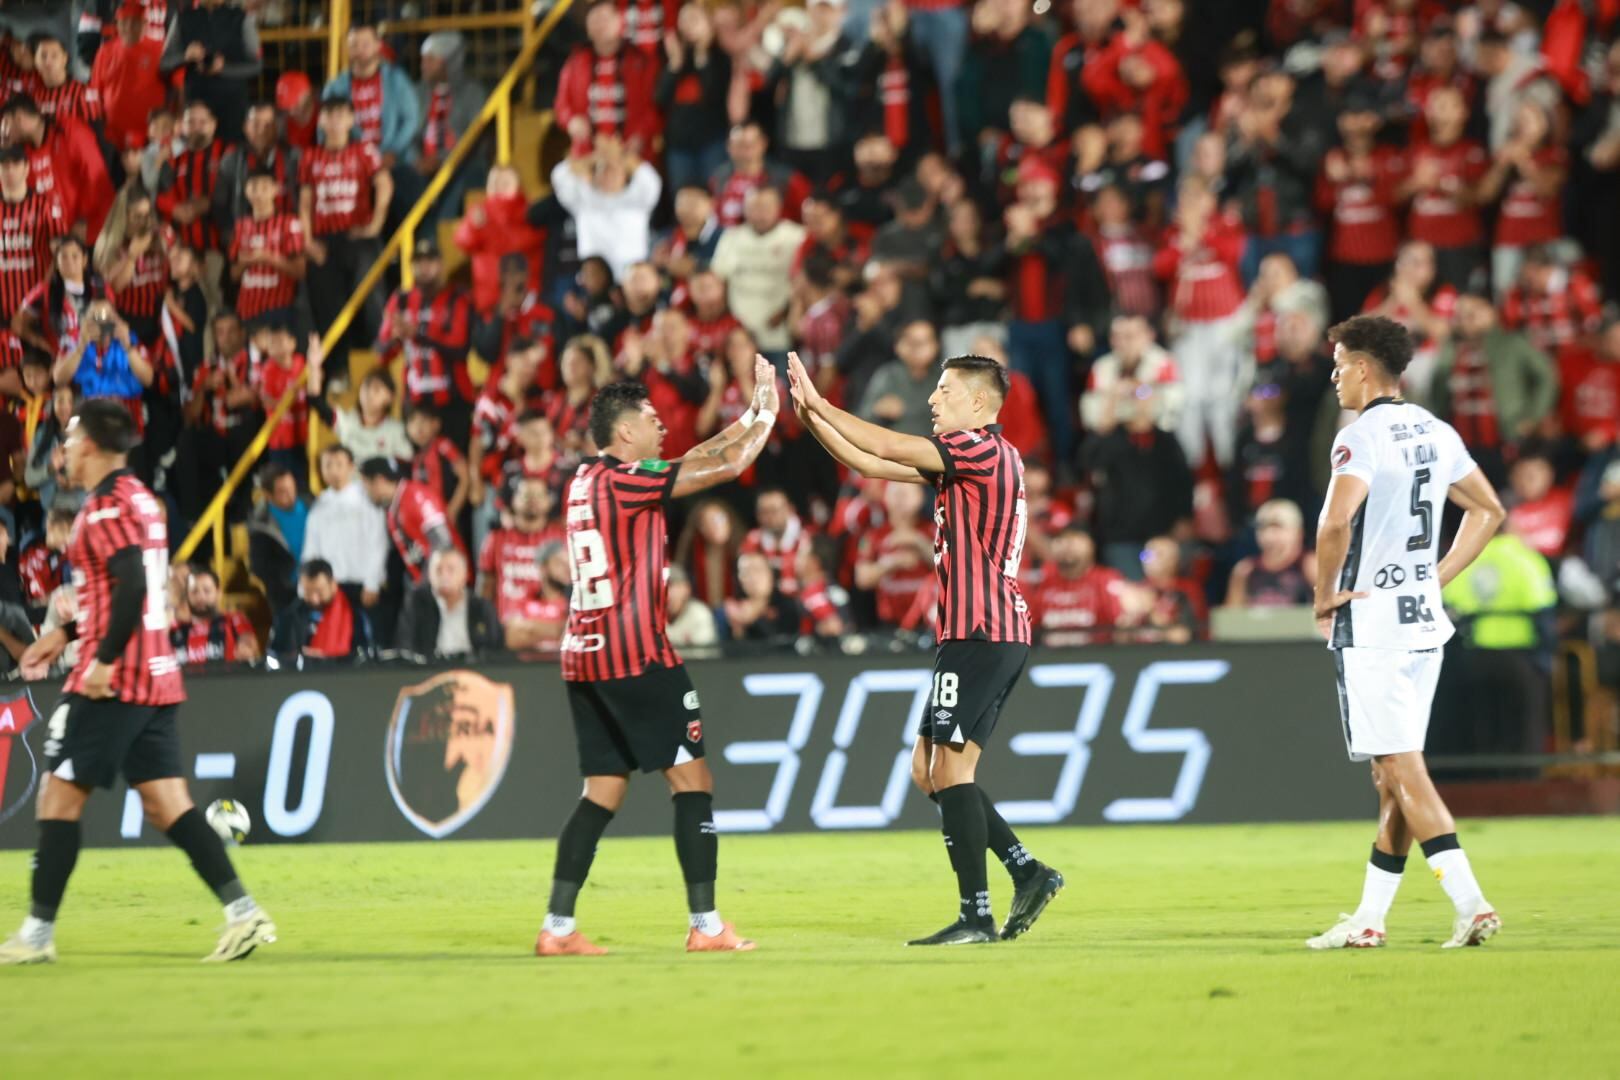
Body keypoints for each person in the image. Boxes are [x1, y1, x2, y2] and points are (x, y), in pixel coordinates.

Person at [788, 350, 1063, 945]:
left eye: (944, 390)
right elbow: (866, 460)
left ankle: (976, 914)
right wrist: (812, 417)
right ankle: (1027, 872)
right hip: (983, 633)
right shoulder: (981, 458)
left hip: (980, 631)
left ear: (980, 403)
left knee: (947, 770)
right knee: (930, 771)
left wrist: (826, 403)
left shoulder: (979, 449)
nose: (933, 400)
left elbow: (887, 447)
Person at [1, 399, 275, 965]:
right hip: (155, 675)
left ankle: (36, 934)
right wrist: (68, 631)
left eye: (71, 438)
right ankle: (243, 912)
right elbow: (125, 587)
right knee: (167, 804)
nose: (65, 449)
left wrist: (98, 658)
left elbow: (130, 585)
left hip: (115, 681)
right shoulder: (141, 500)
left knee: (57, 799)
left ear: (95, 446)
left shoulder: (102, 510)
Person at [536, 361, 782, 957]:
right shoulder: (626, 480)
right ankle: (705, 924)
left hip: (583, 657)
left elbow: (697, 455)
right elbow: (724, 466)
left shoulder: (584, 481)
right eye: (649, 419)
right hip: (636, 656)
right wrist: (772, 411)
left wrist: (745, 415)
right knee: (692, 781)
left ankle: (558, 929)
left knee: (601, 792)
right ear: (624, 434)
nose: (661, 425)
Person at [1306, 314, 1506, 951]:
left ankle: (1471, 903)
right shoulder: (1435, 429)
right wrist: (1433, 577)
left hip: (1372, 624)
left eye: (1339, 364)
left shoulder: (1359, 436)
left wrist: (1322, 594)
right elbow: (1488, 510)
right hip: (1424, 627)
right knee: (1391, 775)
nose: (1335, 376)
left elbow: (1336, 524)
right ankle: (1368, 918)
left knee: (1401, 768)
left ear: (1365, 368)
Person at [298, 95, 391, 385]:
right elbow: (304, 202)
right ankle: (338, 371)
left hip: (358, 235)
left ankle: (383, 358)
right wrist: (308, 241)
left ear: (352, 120)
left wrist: (375, 224)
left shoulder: (364, 151)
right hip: (324, 240)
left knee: (371, 295)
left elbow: (384, 183)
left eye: (341, 114)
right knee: (328, 306)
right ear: (321, 121)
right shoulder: (310, 156)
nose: (335, 121)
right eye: (329, 115)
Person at [322, 22, 421, 228]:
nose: (360, 50)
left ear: (378, 45)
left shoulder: (396, 80)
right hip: (350, 167)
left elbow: (412, 119)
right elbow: (324, 132)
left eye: (366, 44)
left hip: (394, 161)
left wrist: (392, 152)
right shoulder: (335, 87)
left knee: (414, 195)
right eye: (354, 45)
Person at [302, 444, 387, 613]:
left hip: (365, 584)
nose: (333, 470)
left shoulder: (367, 498)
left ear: (351, 467)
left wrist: (372, 582)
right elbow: (311, 548)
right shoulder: (319, 505)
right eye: (327, 465)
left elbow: (378, 542)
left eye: (339, 464)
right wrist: (306, 585)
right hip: (333, 587)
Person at [159, 0, 260, 137]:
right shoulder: (183, 17)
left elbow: (256, 66)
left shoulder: (242, 17)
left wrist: (224, 68)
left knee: (230, 152)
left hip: (232, 107)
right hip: (196, 108)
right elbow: (164, 64)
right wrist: (185, 56)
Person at [396, 547, 501, 662]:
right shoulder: (416, 603)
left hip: (472, 672)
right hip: (430, 671)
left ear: (465, 575)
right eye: (438, 570)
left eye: (451, 570)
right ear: (429, 575)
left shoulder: (482, 607)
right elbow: (404, 647)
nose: (444, 576)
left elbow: (494, 649)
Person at [89, 3, 166, 154]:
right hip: (112, 135)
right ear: (117, 24)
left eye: (136, 22)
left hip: (151, 134)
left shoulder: (161, 49)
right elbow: (95, 92)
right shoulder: (104, 52)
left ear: (145, 24)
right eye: (124, 22)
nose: (129, 28)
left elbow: (176, 88)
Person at [269, 558, 373, 664]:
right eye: (308, 592)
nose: (315, 599)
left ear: (333, 585)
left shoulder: (355, 617)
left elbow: (363, 656)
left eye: (320, 591)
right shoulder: (288, 618)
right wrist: (299, 657)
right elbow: (275, 656)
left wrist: (327, 658)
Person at [1225, 498, 1315, 609]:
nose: (1269, 536)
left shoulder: (1309, 566)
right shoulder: (1245, 571)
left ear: (1298, 532)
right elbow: (1232, 619)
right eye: (1263, 528)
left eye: (1277, 527)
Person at [247, 460, 306, 616]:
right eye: (283, 491)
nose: (291, 494)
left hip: (319, 587)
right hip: (286, 595)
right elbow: (259, 566)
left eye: (292, 487)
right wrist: (285, 581)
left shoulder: (312, 505)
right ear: (267, 495)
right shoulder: (260, 524)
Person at [170, 566, 259, 666]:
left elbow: (248, 642)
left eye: (207, 591)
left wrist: (247, 647)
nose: (200, 597)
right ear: (187, 595)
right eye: (194, 591)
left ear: (218, 593)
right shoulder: (173, 629)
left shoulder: (233, 620)